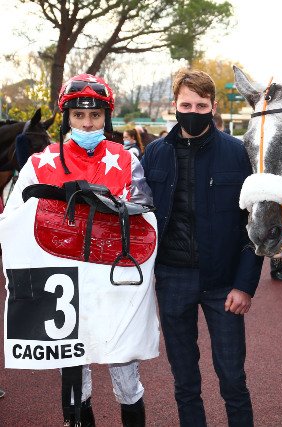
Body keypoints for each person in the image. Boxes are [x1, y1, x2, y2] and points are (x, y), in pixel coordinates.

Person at [2, 73, 152, 426]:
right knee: (75, 385)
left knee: (126, 380)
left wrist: (107, 206)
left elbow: (146, 214)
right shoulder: (41, 162)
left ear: (106, 118)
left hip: (114, 284)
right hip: (63, 287)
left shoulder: (126, 160)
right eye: (79, 115)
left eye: (95, 116)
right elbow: (12, 218)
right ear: (67, 117)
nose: (87, 123)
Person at [140, 68, 263, 427]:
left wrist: (245, 285)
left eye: (201, 105)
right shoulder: (155, 154)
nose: (193, 112)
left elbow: (254, 225)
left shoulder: (238, 154)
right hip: (172, 279)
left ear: (213, 106)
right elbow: (139, 216)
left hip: (224, 284)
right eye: (186, 105)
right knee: (184, 382)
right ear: (174, 105)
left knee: (233, 379)